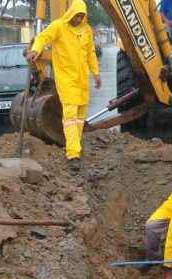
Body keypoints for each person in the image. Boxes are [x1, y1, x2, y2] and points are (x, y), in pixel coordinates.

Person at [26, 0, 100, 172]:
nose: (79, 19)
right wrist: (36, 50)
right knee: (70, 115)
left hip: (82, 81)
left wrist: (96, 73)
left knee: (80, 115)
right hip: (66, 80)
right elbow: (43, 37)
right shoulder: (59, 27)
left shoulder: (86, 30)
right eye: (77, 15)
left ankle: (76, 144)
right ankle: (73, 154)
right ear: (71, 13)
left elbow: (91, 53)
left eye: (82, 16)